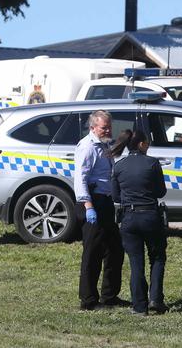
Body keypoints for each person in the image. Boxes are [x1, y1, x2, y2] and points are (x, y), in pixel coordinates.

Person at [111, 129, 169, 315]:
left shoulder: (119, 165)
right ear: (142, 144)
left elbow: (116, 196)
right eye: (148, 142)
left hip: (128, 218)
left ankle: (139, 306)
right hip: (150, 216)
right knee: (157, 258)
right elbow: (161, 192)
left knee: (136, 263)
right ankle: (156, 299)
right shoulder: (152, 163)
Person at [74, 110, 125, 310]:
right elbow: (81, 179)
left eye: (109, 126)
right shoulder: (87, 147)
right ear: (93, 127)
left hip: (105, 202)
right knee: (92, 253)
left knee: (114, 249)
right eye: (104, 127)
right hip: (92, 203)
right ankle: (88, 300)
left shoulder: (103, 144)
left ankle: (109, 296)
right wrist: (88, 206)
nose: (108, 130)